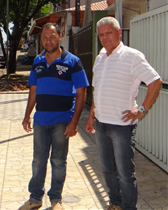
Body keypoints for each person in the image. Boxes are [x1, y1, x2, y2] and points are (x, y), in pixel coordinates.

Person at [85, 17, 162, 210]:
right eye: (101, 34)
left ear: (119, 33)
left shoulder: (132, 56)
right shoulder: (101, 56)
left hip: (122, 126)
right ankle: (115, 204)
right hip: (102, 124)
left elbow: (155, 81)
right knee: (107, 169)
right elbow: (98, 88)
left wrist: (141, 109)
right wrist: (92, 115)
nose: (104, 38)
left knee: (125, 173)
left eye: (108, 33)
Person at [19, 23, 89, 210]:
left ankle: (56, 199)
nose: (47, 40)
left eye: (51, 36)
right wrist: (27, 115)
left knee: (58, 161)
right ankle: (35, 199)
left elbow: (82, 93)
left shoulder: (73, 61)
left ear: (60, 35)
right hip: (41, 119)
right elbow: (33, 90)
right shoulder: (37, 62)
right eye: (44, 37)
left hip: (62, 120)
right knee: (38, 160)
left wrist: (74, 122)